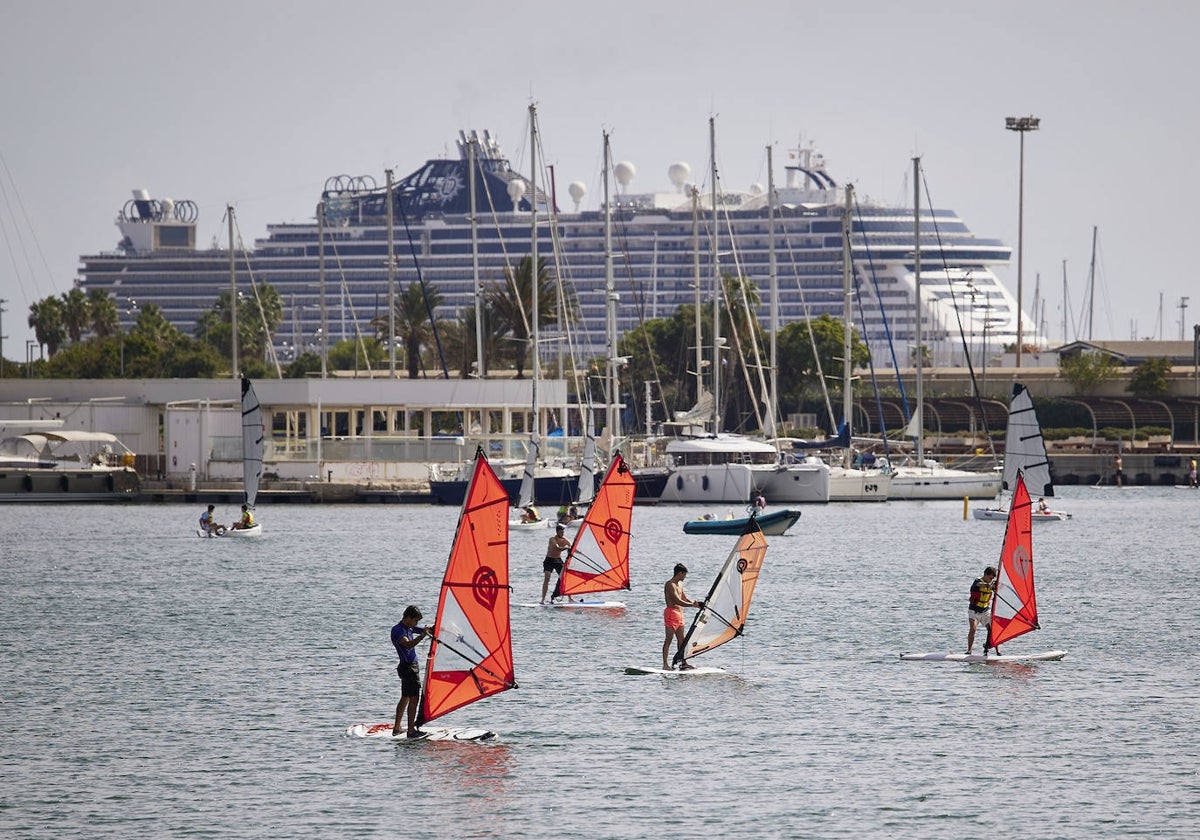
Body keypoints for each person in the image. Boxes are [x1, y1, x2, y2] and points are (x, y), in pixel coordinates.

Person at [391, 605, 431, 738]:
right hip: (408, 668)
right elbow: (407, 645)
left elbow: (424, 630)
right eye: (415, 621)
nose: (416, 624)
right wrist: (422, 637)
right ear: (408, 618)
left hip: (410, 666)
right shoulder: (397, 630)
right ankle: (411, 730)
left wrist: (433, 628)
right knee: (414, 698)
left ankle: (397, 728)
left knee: (405, 697)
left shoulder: (409, 627)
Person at [663, 563, 703, 670]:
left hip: (679, 614)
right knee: (669, 639)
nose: (685, 577)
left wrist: (697, 604)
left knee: (682, 639)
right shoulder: (670, 584)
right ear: (680, 573)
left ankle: (683, 663)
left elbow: (684, 598)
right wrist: (692, 605)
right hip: (671, 613)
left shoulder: (680, 584)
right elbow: (677, 600)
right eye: (684, 574)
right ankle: (665, 665)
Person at [966, 566, 999, 656]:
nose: (990, 580)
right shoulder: (978, 581)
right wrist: (988, 585)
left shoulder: (992, 583)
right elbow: (979, 585)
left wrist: (996, 585)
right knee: (973, 629)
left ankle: (997, 651)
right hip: (973, 610)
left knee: (992, 630)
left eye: (992, 578)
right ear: (985, 574)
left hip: (985, 610)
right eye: (990, 578)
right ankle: (969, 651)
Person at [541, 524, 574, 604]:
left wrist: (577, 552)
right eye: (560, 532)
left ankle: (570, 598)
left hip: (558, 560)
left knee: (564, 577)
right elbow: (557, 547)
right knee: (547, 578)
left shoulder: (565, 540)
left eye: (563, 532)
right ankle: (543, 600)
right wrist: (566, 548)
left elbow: (572, 548)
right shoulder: (552, 539)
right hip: (549, 560)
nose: (562, 534)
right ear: (557, 532)